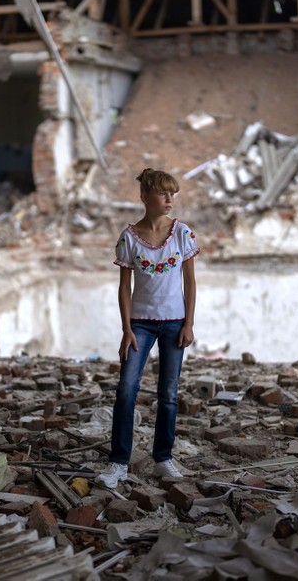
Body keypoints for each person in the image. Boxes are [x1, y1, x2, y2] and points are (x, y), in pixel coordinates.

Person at [96, 168, 200, 488]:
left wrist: (188, 323)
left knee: (168, 394)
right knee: (126, 390)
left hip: (173, 324)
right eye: (162, 194)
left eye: (172, 194)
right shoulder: (129, 238)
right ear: (145, 197)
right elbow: (124, 287)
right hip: (140, 324)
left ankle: (163, 459)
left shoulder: (182, 234)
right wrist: (127, 329)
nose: (169, 200)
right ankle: (118, 463)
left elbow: (190, 281)